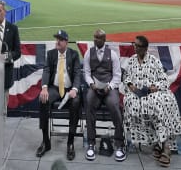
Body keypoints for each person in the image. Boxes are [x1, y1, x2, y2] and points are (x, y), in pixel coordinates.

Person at [123, 35, 181, 168]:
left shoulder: (154, 61)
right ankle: (158, 143)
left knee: (159, 105)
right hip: (136, 94)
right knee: (134, 104)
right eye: (134, 44)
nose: (135, 47)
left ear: (145, 48)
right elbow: (126, 77)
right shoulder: (131, 61)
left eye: (138, 46)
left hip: (152, 92)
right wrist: (130, 85)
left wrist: (155, 87)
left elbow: (164, 80)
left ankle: (166, 146)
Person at [36, 29, 81, 162]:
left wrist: (75, 89)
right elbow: (46, 70)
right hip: (55, 89)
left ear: (66, 42)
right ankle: (45, 141)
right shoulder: (51, 54)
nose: (58, 41)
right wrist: (44, 87)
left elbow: (78, 73)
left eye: (60, 39)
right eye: (57, 39)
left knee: (76, 102)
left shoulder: (74, 54)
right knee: (43, 99)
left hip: (69, 89)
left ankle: (70, 143)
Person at [83, 29, 126, 162]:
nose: (96, 40)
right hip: (95, 88)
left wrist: (110, 87)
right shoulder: (88, 53)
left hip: (109, 88)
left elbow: (118, 75)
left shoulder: (112, 54)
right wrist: (91, 84)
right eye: (95, 37)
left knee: (115, 105)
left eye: (99, 38)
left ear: (104, 39)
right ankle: (91, 143)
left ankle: (119, 143)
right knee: (89, 103)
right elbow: (87, 73)